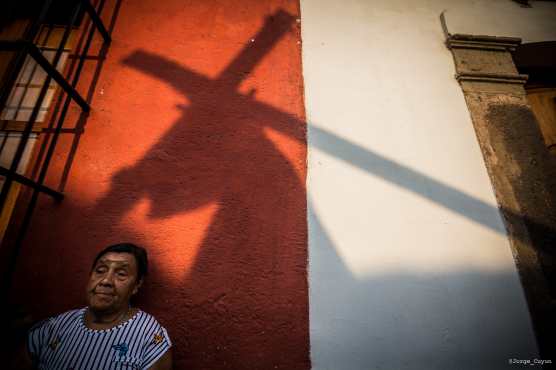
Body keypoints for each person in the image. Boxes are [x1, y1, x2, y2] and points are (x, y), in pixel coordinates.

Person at [15, 243, 172, 370]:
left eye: (121, 274)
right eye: (100, 270)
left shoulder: (150, 337)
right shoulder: (57, 325)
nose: (106, 281)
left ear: (137, 285)